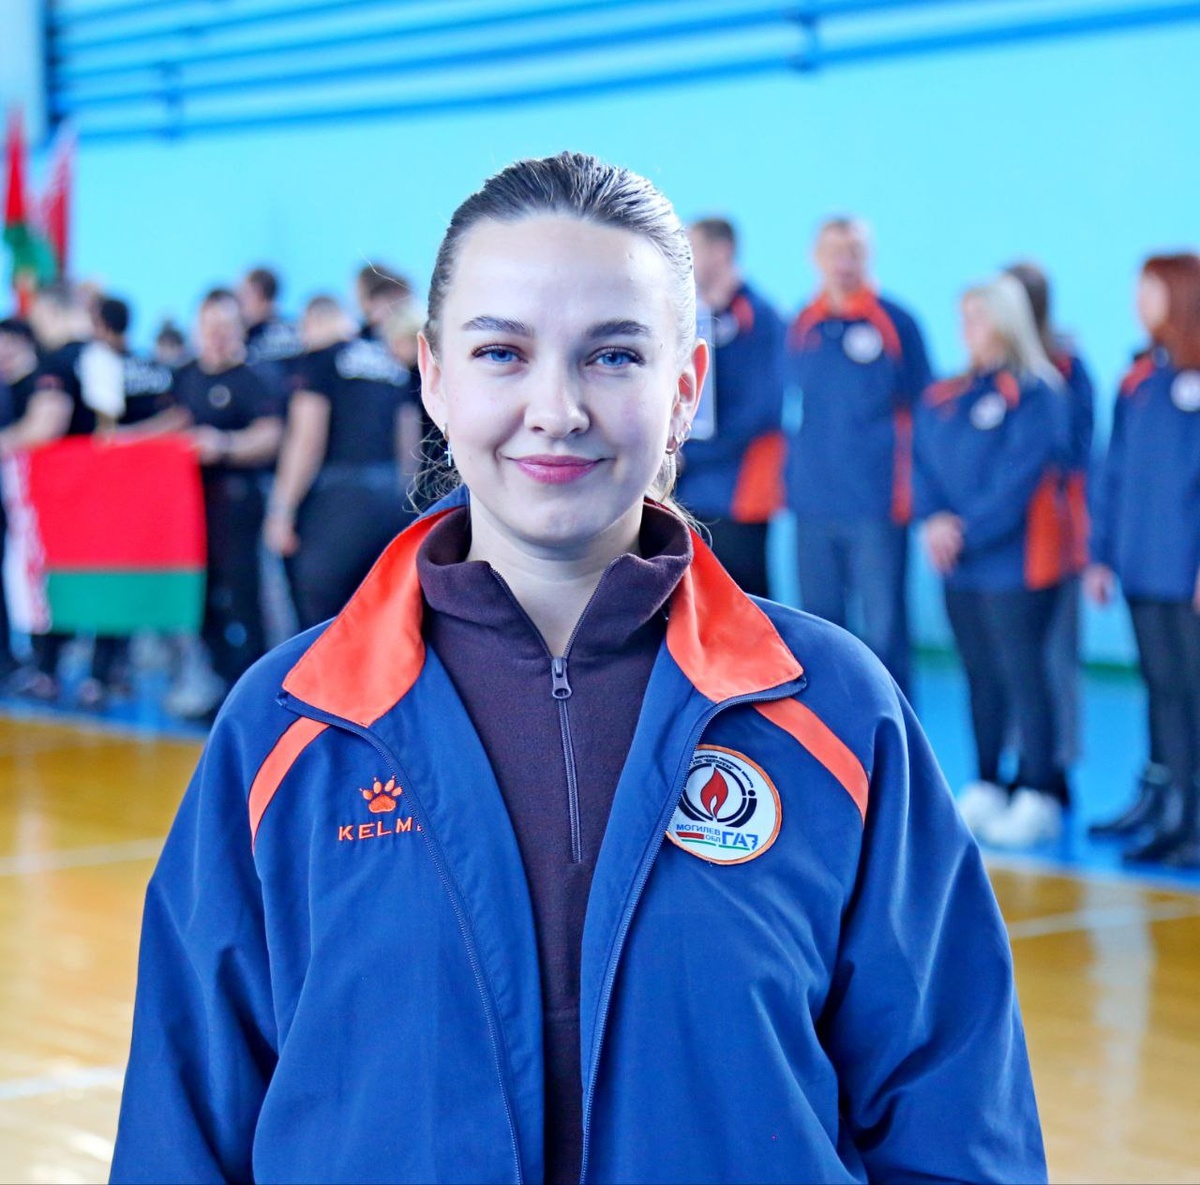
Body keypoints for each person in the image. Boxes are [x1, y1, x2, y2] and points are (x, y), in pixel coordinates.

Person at [111, 153, 1044, 1185]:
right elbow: (178, 1140)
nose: (556, 408)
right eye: (501, 353)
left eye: (613, 355)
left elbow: (958, 1128)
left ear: (684, 388)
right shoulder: (287, 730)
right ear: (435, 377)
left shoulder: (835, 715)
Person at [915, 275, 1069, 848]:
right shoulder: (947, 394)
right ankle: (987, 780)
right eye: (965, 319)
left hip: (1018, 563)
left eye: (979, 318)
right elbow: (922, 460)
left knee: (1024, 673)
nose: (968, 330)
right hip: (961, 564)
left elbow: (1017, 479)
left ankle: (1038, 790)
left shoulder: (1037, 393)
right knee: (979, 673)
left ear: (1006, 321)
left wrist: (965, 530)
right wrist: (934, 520)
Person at [784, 217, 932, 697]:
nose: (843, 263)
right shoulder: (802, 323)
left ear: (869, 257)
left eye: (854, 252)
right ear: (815, 258)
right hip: (813, 506)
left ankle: (897, 734)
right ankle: (828, 731)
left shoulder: (897, 323)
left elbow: (926, 415)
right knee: (818, 634)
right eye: (834, 252)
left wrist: (918, 495)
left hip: (876, 506)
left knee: (885, 633)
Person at [1086, 253, 1200, 869]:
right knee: (1164, 691)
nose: (1139, 302)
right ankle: (1172, 810)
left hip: (1187, 569)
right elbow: (1114, 471)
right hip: (1143, 566)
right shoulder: (1138, 378)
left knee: (1193, 693)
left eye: (1150, 291)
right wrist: (1102, 554)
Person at [137, 289, 285, 717]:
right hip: (188, 508)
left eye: (224, 326)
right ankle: (221, 684)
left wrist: (224, 445)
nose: (216, 335)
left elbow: (271, 435)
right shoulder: (186, 374)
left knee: (244, 598)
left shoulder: (255, 377)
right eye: (208, 327)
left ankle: (255, 696)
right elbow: (176, 421)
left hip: (238, 504)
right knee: (198, 597)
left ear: (239, 328)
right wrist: (126, 443)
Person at [264, 295, 419, 628]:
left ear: (312, 323)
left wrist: (281, 511)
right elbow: (408, 440)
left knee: (321, 622)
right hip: (390, 499)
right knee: (377, 617)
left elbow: (306, 440)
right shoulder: (389, 361)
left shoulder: (320, 358)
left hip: (336, 500)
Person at [1004, 262, 1095, 801]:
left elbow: (1073, 450)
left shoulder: (1065, 369)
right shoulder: (997, 368)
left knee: (1056, 654)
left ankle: (1058, 764)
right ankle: (1026, 757)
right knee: (1013, 659)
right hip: (1004, 539)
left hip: (1054, 533)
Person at [676, 217, 785, 597]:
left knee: (745, 603)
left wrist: (689, 454)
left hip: (740, 492)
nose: (683, 258)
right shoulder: (688, 317)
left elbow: (763, 411)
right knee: (695, 601)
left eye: (692, 248)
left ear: (722, 251)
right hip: (689, 491)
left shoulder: (761, 317)